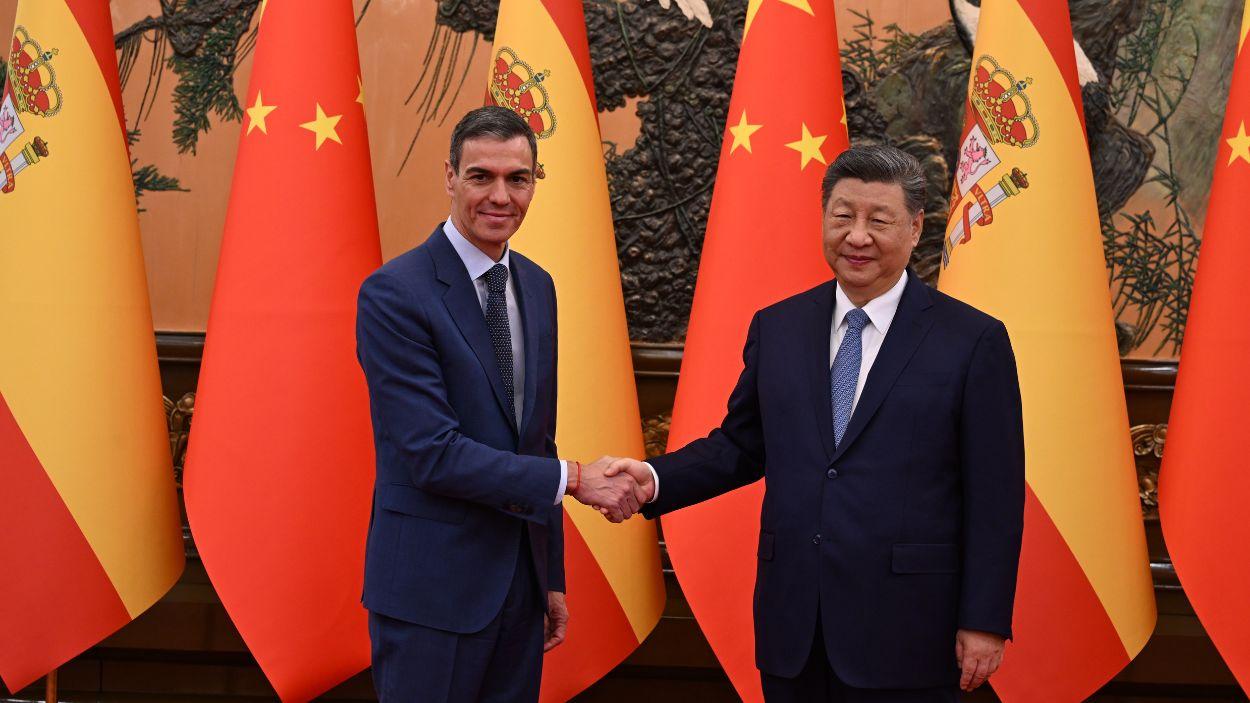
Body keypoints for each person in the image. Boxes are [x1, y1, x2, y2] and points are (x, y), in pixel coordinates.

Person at [610, 145, 1026, 701]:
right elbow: (740, 446)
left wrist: (984, 619)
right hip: (794, 628)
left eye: (878, 220)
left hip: (910, 632)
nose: (857, 236)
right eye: (842, 216)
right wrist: (653, 479)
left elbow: (995, 495)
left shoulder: (973, 341)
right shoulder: (779, 327)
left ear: (916, 227)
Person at [355, 106, 648, 702]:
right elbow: (431, 454)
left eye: (518, 179)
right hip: (430, 593)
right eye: (481, 176)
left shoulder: (537, 286)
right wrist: (574, 481)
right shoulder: (395, 293)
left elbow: (536, 440)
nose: (500, 196)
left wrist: (550, 577)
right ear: (450, 177)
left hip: (519, 591)